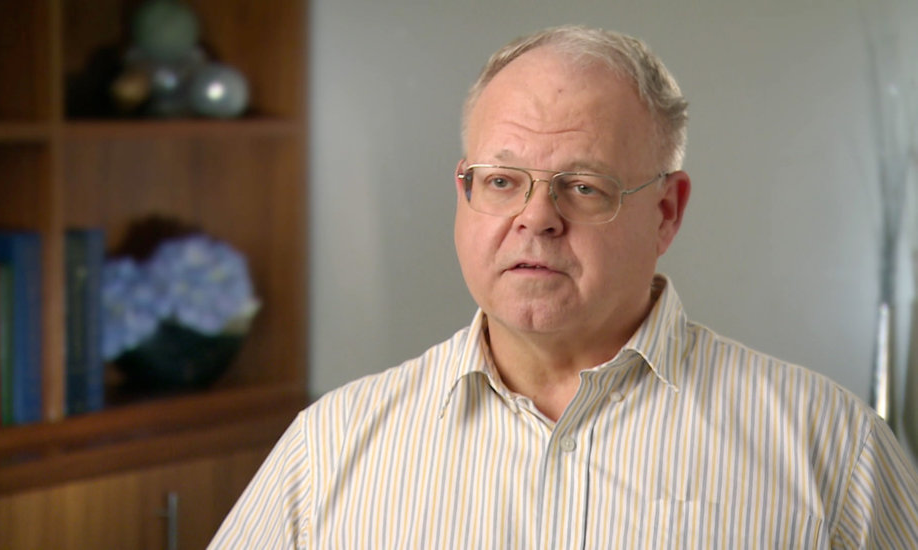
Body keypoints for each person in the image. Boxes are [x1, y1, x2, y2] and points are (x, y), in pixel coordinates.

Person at [209, 25, 918, 548]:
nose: (536, 218)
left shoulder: (831, 447)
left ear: (666, 212)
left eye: (583, 186)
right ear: (464, 193)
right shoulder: (330, 445)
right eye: (502, 181)